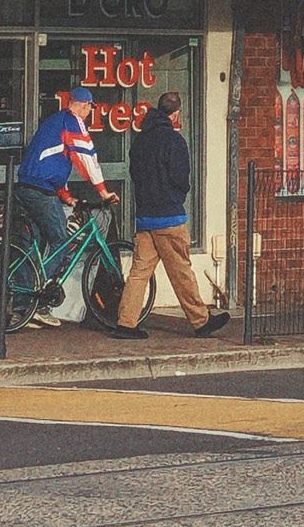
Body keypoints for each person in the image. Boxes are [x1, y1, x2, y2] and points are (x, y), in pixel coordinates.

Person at [114, 90, 229, 340]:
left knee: (139, 272)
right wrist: (178, 196)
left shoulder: (140, 141)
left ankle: (125, 322)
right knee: (181, 272)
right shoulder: (175, 141)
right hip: (169, 217)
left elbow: (135, 174)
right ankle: (201, 321)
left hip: (145, 218)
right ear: (176, 114)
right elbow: (180, 179)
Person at [16, 87, 117, 326]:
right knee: (61, 240)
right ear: (84, 106)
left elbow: (49, 160)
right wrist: (102, 190)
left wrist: (67, 197)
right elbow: (87, 156)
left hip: (27, 187)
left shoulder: (54, 122)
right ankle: (38, 298)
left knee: (35, 248)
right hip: (40, 191)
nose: (89, 113)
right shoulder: (73, 121)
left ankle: (21, 307)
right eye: (90, 108)